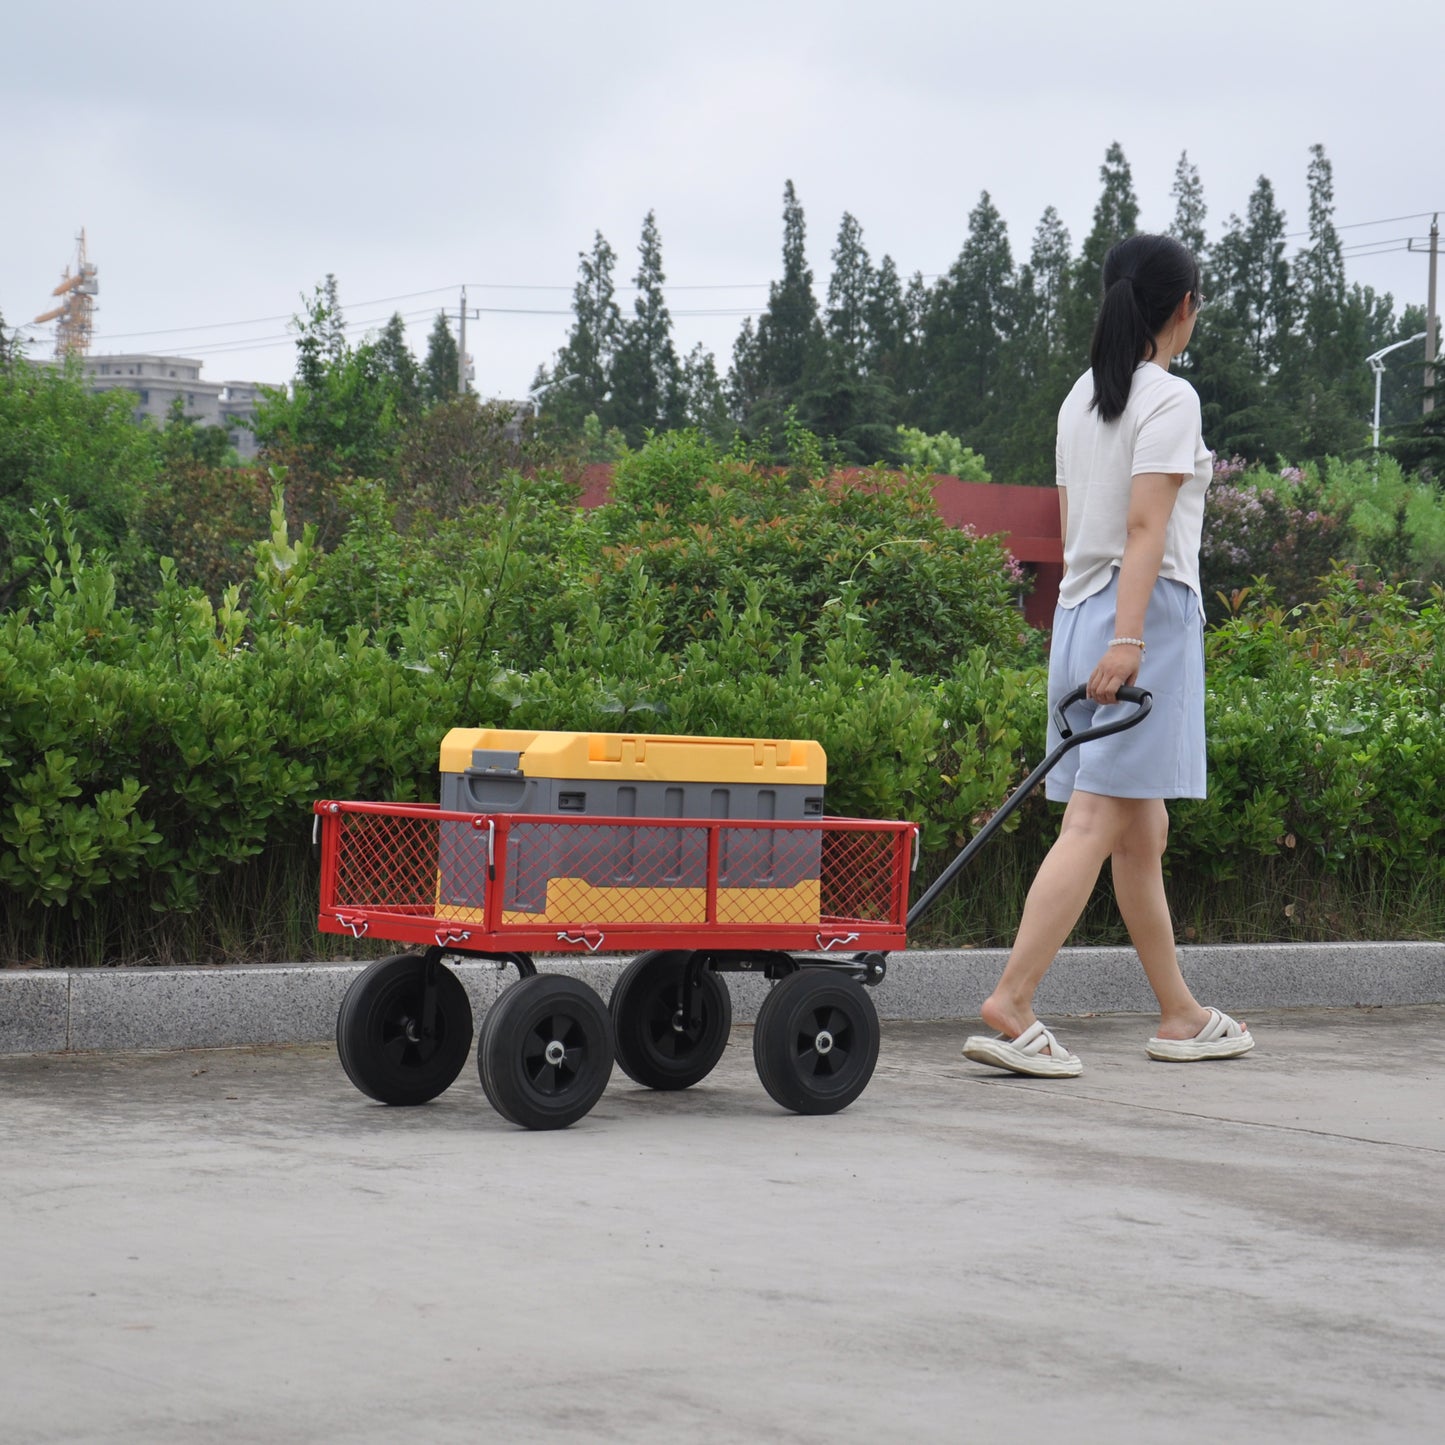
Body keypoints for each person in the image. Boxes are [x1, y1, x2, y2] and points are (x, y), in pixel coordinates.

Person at [962, 233, 1253, 1078]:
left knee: (1139, 828)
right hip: (1140, 620)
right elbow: (1143, 531)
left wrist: (1096, 635)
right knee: (1096, 821)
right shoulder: (1169, 400)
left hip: (1078, 617)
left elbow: (1073, 529)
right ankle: (1011, 1002)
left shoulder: (1078, 400)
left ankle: (1179, 1013)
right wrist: (1130, 641)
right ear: (1183, 307)